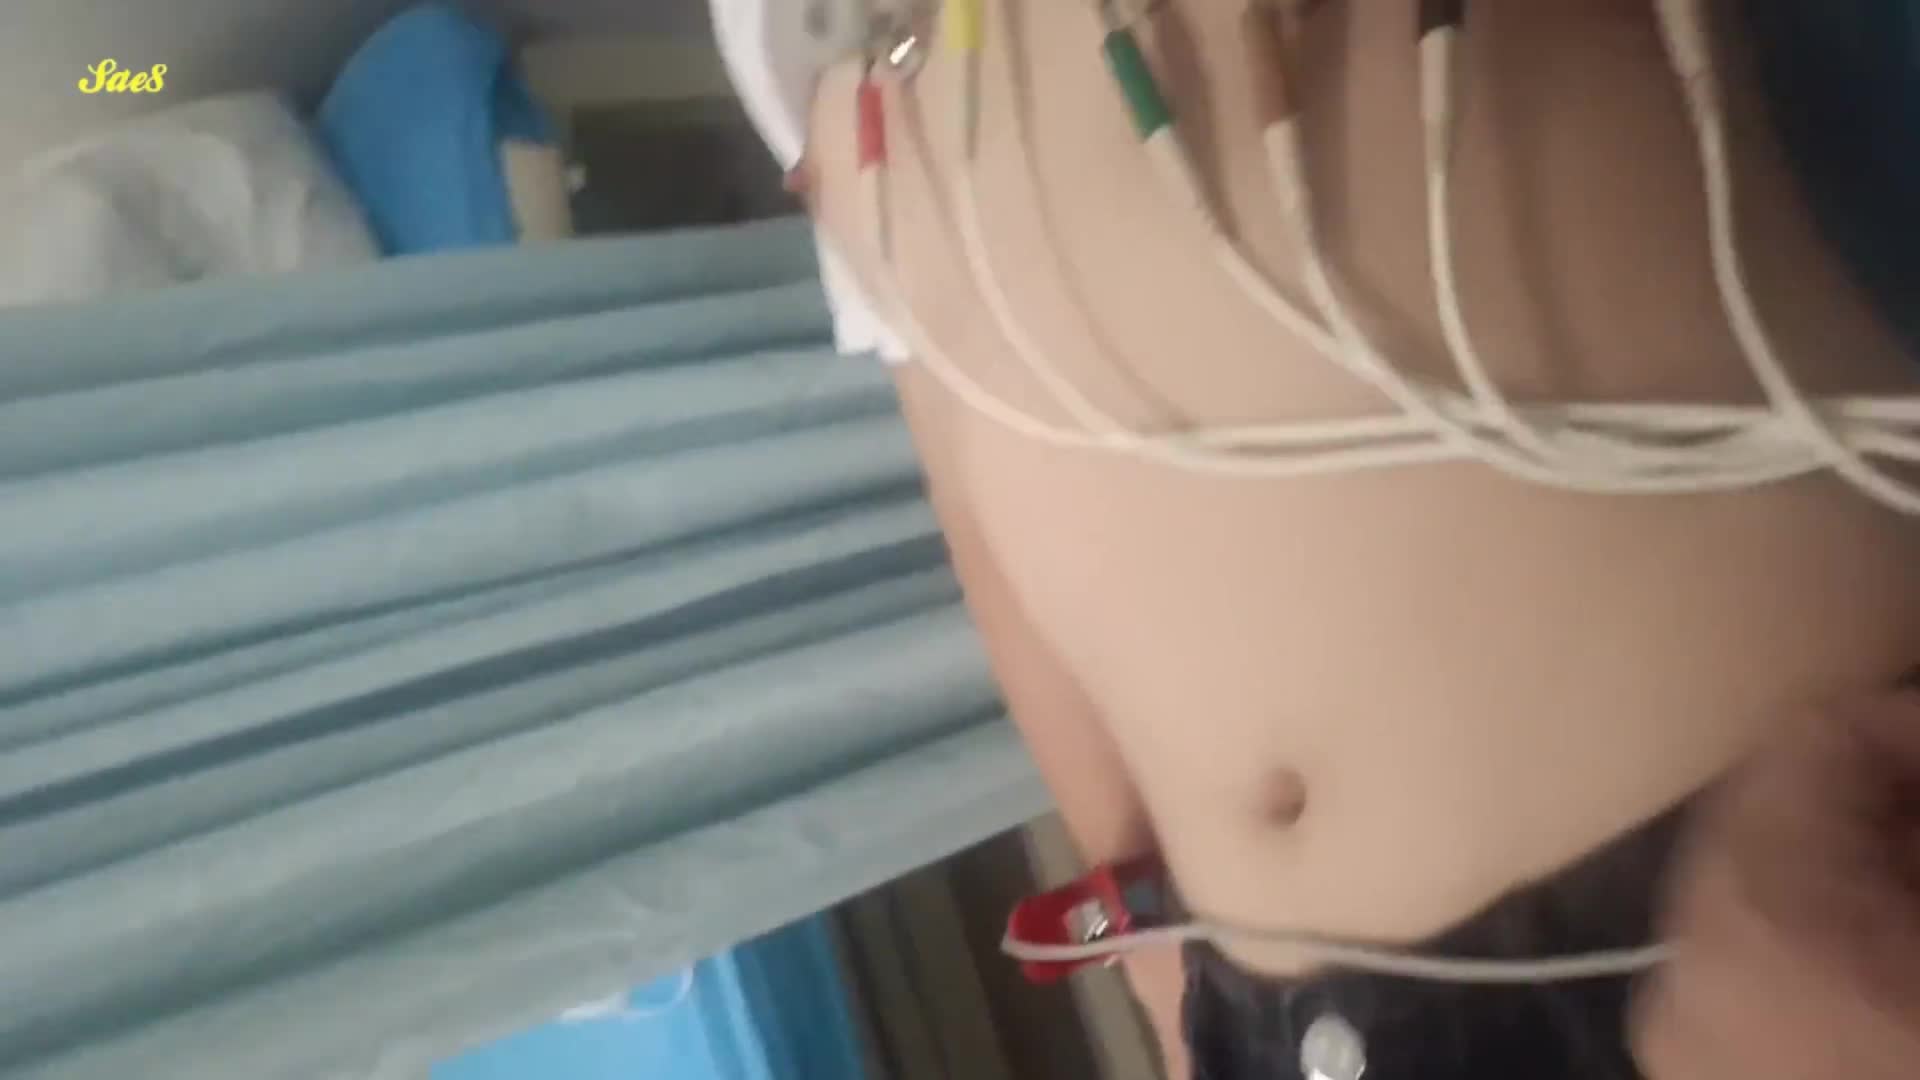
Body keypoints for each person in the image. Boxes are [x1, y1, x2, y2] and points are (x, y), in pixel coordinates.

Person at [714, 1, 1920, 1075]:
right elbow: (971, 451)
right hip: (1272, 1016)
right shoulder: (789, 34)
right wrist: (1159, 967)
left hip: (1753, 907)